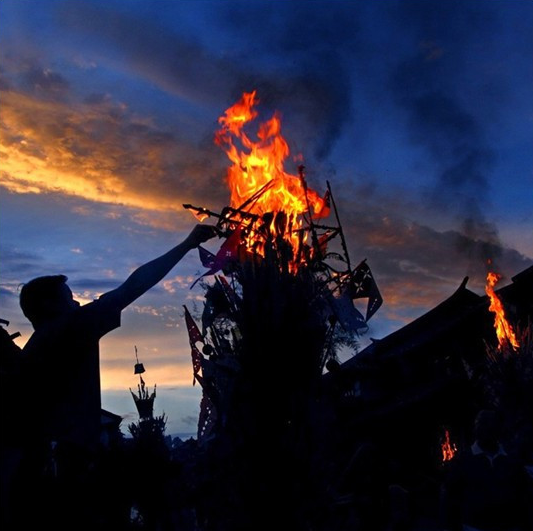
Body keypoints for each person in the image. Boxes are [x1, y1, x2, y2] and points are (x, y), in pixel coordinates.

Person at [7, 223, 218, 529]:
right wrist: (187, 244)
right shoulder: (68, 330)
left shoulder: (38, 347)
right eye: (70, 298)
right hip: (65, 475)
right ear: (50, 306)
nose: (78, 303)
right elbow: (132, 288)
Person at [441, 409, 530, 531]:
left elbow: (523, 491)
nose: (487, 431)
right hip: (474, 526)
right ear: (476, 430)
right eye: (483, 426)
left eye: (491, 427)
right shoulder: (462, 461)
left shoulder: (510, 459)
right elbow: (450, 496)